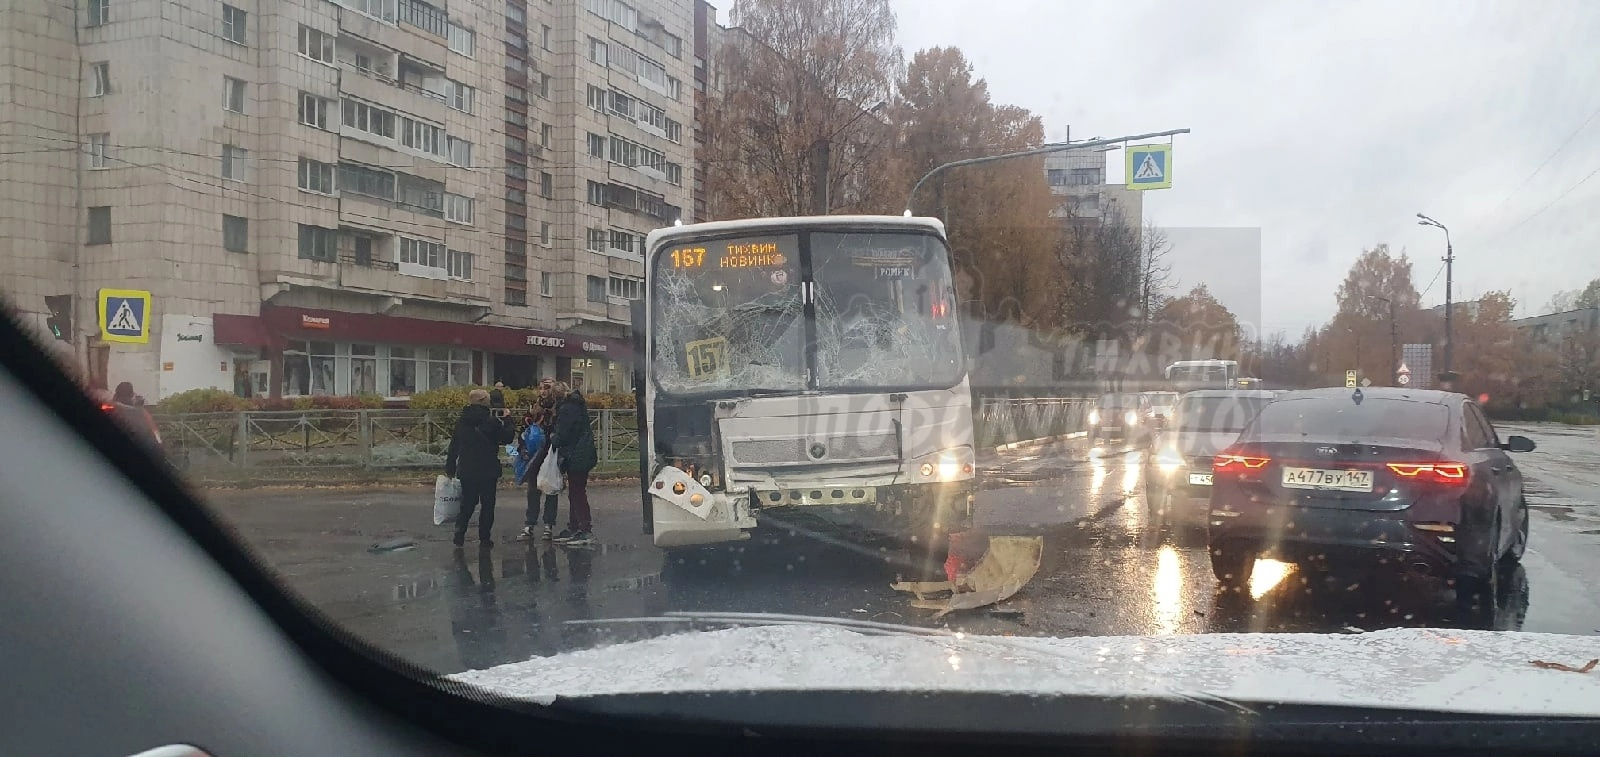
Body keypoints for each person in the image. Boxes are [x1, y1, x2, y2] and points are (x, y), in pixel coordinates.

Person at [444, 388, 515, 548]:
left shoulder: (462, 421)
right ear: (485, 402)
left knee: (467, 503)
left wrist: (450, 467)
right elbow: (507, 437)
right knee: (487, 504)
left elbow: (454, 445)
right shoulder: (490, 421)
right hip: (487, 469)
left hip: (467, 468)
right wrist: (509, 419)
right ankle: (484, 538)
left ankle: (459, 533)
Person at [549, 381, 598, 546]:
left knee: (577, 493)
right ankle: (575, 527)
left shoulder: (566, 409)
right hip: (583, 452)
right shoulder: (576, 405)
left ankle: (584, 529)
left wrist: (552, 440)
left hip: (576, 454)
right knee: (576, 491)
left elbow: (563, 434)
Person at [515, 398, 559, 542]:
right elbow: (523, 434)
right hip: (540, 459)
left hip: (545, 459)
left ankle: (543, 525)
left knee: (545, 491)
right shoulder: (534, 413)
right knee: (538, 491)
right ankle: (536, 525)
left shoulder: (555, 415)